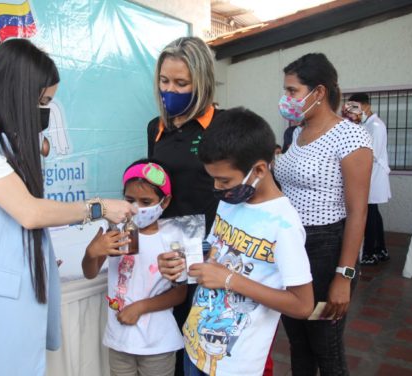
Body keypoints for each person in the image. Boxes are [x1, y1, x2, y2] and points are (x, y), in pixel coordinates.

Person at [0, 39, 134, 376]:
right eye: (43, 102)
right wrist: (99, 208)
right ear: (17, 91)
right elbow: (29, 211)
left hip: (8, 290)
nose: (45, 112)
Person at [157, 107, 314, 375]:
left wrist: (229, 280)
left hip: (237, 361)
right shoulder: (231, 201)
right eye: (213, 179)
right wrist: (184, 264)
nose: (217, 188)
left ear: (260, 169)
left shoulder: (284, 223)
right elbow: (215, 257)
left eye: (224, 180)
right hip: (195, 346)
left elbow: (302, 304)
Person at [274, 53, 372, 375]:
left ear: (318, 92)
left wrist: (343, 276)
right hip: (291, 248)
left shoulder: (351, 136)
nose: (286, 99)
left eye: (292, 91)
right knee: (298, 344)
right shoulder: (296, 135)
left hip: (325, 249)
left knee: (325, 346)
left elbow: (358, 213)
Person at [145, 36, 224, 376]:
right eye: (164, 81)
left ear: (201, 82)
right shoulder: (156, 127)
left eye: (181, 83)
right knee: (169, 333)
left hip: (209, 247)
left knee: (203, 344)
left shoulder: (223, 125)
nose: (170, 89)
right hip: (166, 245)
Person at [82, 159, 187, 376]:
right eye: (130, 200)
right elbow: (90, 273)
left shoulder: (174, 236)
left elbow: (180, 294)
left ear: (165, 202)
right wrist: (92, 252)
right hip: (119, 340)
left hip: (157, 343)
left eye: (146, 201)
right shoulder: (115, 229)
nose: (137, 208)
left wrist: (140, 307)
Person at [348, 93, 392, 265]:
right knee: (373, 212)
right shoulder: (366, 124)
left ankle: (370, 253)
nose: (352, 111)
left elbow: (372, 153)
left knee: (370, 212)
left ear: (365, 106)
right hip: (368, 173)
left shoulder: (376, 125)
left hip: (373, 174)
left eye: (355, 106)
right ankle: (380, 250)